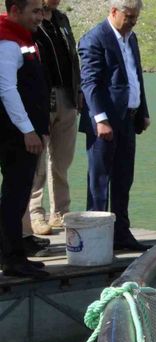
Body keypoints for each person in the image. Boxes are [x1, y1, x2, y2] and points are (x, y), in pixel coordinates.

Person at [78, 0, 151, 251]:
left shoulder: (131, 38)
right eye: (129, 16)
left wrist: (143, 111)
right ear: (113, 11)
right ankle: (96, 237)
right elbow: (90, 83)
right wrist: (100, 119)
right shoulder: (94, 39)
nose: (132, 21)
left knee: (123, 179)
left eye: (135, 17)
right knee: (99, 181)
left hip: (128, 119)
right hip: (104, 123)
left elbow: (135, 76)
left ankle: (121, 233)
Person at [0, 0, 49, 278]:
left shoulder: (22, 38)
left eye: (41, 11)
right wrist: (27, 130)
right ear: (15, 11)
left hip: (26, 130)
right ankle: (12, 259)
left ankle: (11, 250)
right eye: (34, 11)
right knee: (15, 195)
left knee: (17, 194)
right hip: (15, 134)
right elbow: (7, 89)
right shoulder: (7, 43)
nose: (40, 17)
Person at [23, 0, 80, 235]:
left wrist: (79, 90)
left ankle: (61, 212)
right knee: (38, 161)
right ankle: (35, 213)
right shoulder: (32, 21)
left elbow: (73, 57)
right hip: (42, 98)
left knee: (63, 158)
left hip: (67, 95)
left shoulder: (61, 19)